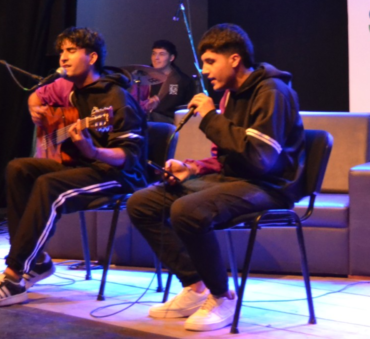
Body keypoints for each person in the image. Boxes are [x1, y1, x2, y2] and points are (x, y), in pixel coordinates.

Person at [126, 24, 306, 332]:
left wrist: (210, 118)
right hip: (238, 179)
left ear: (234, 59)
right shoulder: (230, 96)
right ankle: (196, 286)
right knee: (142, 202)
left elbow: (260, 160)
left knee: (187, 210)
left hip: (271, 186)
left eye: (210, 62)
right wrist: (192, 168)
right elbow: (227, 158)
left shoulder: (273, 92)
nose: (205, 71)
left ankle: (222, 296)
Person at [0, 27, 148, 307]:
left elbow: (131, 156)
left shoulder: (115, 98)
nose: (63, 57)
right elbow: (38, 98)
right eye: (62, 51)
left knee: (49, 184)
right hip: (84, 167)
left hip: (119, 175)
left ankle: (14, 275)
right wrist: (37, 109)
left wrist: (93, 150)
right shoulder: (74, 92)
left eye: (71, 51)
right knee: (19, 169)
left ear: (93, 57)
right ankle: (36, 260)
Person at [139, 40, 197, 124]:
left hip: (172, 123)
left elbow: (188, 109)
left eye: (161, 54)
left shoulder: (183, 81)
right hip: (149, 120)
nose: (156, 58)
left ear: (171, 58)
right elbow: (135, 100)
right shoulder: (145, 77)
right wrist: (145, 104)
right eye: (154, 53)